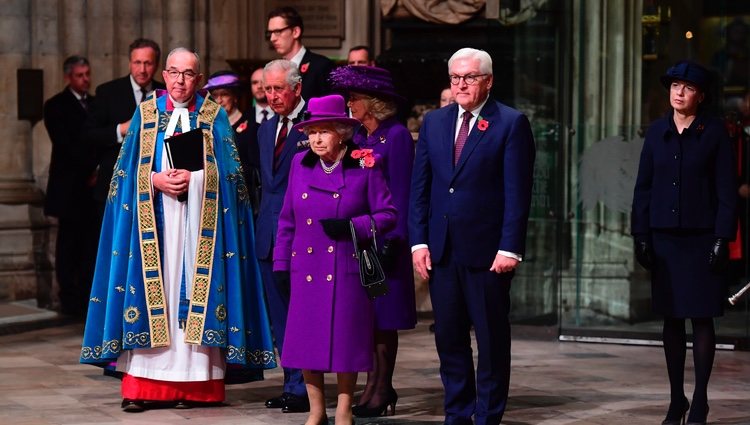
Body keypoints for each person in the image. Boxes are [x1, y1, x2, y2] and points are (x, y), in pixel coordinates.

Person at [79, 47, 276, 412]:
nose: (180, 81)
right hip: (153, 226)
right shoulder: (146, 113)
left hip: (199, 227)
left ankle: (197, 388)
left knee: (192, 301)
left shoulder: (214, 117)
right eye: (174, 72)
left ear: (198, 80)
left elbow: (235, 180)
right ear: (164, 75)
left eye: (188, 74)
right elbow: (120, 176)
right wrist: (152, 179)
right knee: (157, 297)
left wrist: (198, 179)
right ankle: (142, 388)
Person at [409, 47, 536, 425]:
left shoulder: (511, 123)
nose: (461, 84)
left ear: (488, 81)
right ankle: (458, 412)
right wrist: (419, 241)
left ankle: (488, 415)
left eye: (470, 77)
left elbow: (518, 193)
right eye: (455, 78)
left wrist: (510, 248)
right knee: (448, 337)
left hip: (488, 253)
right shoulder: (435, 122)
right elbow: (420, 188)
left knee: (491, 339)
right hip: (443, 250)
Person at [274, 94, 397, 425]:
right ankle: (316, 411)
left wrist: (353, 226)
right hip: (305, 268)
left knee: (346, 343)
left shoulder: (364, 163)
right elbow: (287, 219)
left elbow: (387, 214)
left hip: (345, 267)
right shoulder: (300, 164)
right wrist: (281, 264)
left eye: (324, 131)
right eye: (312, 132)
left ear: (342, 132)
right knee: (305, 343)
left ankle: (343, 410)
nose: (315, 139)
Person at [632, 60, 737, 425]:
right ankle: (677, 399)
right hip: (664, 239)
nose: (678, 92)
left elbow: (727, 191)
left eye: (687, 87)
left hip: (702, 237)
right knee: (672, 320)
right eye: (674, 85)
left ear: (700, 96)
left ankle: (701, 401)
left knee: (702, 319)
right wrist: (640, 235)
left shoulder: (715, 133)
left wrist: (723, 238)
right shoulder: (657, 131)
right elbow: (643, 188)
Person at [329, 65, 416, 417]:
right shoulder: (360, 138)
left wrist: (395, 238)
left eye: (355, 98)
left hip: (386, 240)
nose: (350, 104)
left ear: (374, 102)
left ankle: (382, 387)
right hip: (360, 239)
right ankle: (372, 386)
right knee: (367, 318)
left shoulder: (395, 136)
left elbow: (402, 190)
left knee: (385, 317)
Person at [255, 59, 311, 414]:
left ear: (297, 88)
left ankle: (305, 387)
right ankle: (291, 382)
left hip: (301, 235)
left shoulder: (314, 126)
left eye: (279, 89)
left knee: (302, 313)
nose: (272, 96)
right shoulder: (265, 129)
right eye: (267, 89)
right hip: (267, 235)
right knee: (280, 317)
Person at [84, 38, 165, 224]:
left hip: (156, 184)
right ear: (130, 62)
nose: (142, 69)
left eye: (148, 63)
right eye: (137, 62)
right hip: (114, 183)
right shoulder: (108, 92)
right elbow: (89, 135)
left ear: (157, 65)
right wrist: (121, 129)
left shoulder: (165, 92)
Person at [42, 55, 98, 318]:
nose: (85, 79)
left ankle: (88, 297)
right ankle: (68, 299)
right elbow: (66, 145)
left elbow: (100, 140)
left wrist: (98, 171)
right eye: (79, 75)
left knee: (90, 245)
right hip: (70, 188)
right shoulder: (56, 105)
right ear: (68, 77)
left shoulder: (96, 104)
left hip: (93, 189)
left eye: (87, 74)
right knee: (68, 246)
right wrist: (89, 170)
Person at [203, 70, 261, 215]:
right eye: (215, 96)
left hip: (242, 199)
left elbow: (256, 169)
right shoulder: (207, 128)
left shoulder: (253, 126)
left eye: (224, 94)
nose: (219, 100)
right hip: (215, 199)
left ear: (235, 97)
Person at [266, 6, 335, 101]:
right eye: (270, 33)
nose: (272, 38)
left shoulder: (321, 66)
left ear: (295, 32)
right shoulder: (275, 70)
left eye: (277, 32)